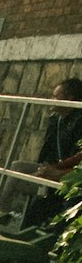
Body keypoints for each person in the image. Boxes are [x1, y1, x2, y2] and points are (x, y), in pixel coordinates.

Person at [20, 78, 82, 228]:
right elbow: (73, 156)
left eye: (56, 96)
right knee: (19, 168)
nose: (52, 100)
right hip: (62, 172)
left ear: (70, 99)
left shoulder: (78, 121)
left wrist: (57, 172)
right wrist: (51, 168)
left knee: (65, 207)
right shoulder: (56, 121)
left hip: (71, 183)